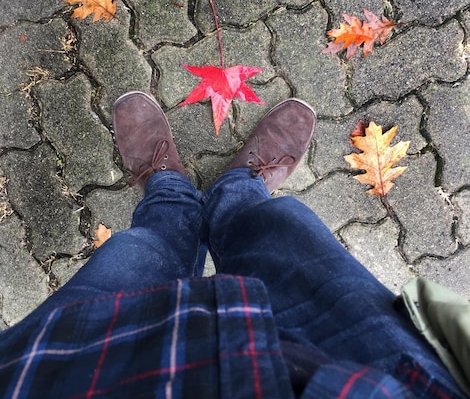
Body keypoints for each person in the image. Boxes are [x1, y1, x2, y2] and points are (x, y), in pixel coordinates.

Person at [0, 92, 466, 398]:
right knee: (284, 230)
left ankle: (169, 193)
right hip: (391, 374)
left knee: (134, 253)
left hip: (77, 373)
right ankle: (238, 190)